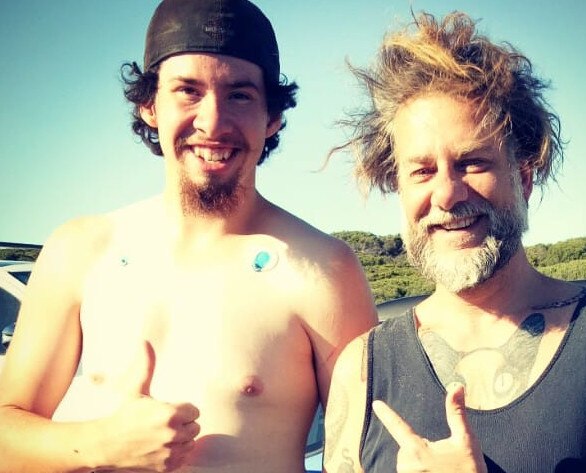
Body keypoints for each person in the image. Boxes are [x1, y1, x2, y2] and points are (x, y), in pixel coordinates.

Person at [0, 0, 377, 471]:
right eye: (188, 91)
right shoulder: (80, 251)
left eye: (239, 95)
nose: (213, 122)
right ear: (149, 105)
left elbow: (370, 453)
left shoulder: (322, 269)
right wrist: (98, 445)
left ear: (272, 117)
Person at [323, 11, 586, 473]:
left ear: (523, 178)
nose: (446, 193)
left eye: (472, 162)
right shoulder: (363, 368)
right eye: (422, 171)